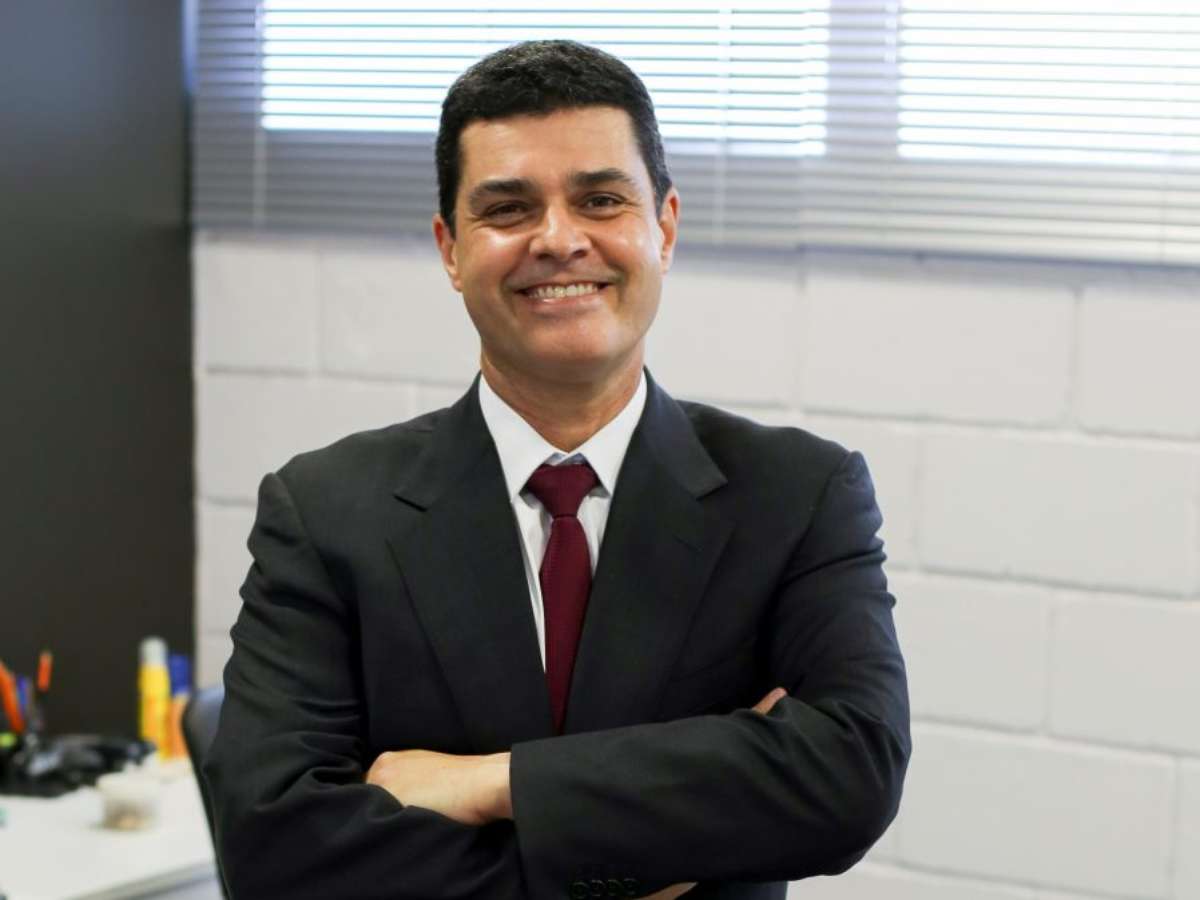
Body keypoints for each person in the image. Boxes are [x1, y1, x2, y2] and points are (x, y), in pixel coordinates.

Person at [205, 40, 910, 900]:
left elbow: (851, 773)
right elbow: (275, 849)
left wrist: (493, 782)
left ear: (665, 228)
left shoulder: (798, 496)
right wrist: (652, 852)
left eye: (601, 200)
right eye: (508, 208)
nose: (559, 239)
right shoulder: (324, 512)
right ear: (450, 249)